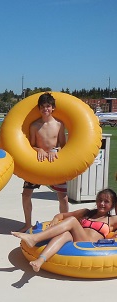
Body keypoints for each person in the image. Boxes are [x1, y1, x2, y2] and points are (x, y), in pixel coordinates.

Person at [12, 188, 117, 273]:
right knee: (65, 234)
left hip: (89, 244)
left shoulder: (112, 219)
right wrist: (55, 220)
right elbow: (61, 215)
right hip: (76, 239)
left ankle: (35, 238)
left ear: (112, 205)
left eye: (106, 201)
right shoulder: (86, 212)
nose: (102, 203)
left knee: (72, 220)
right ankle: (39, 261)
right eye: (100, 200)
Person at [19, 92, 69, 232]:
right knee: (26, 194)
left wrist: (56, 150)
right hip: (38, 163)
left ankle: (64, 225)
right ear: (39, 109)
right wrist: (38, 150)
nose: (45, 109)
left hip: (54, 163)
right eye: (42, 107)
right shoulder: (35, 126)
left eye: (48, 106)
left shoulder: (59, 124)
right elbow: (31, 145)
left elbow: (63, 145)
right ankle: (28, 223)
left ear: (52, 107)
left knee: (63, 198)